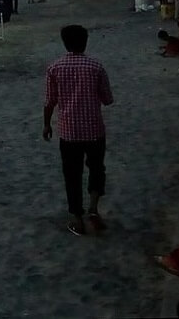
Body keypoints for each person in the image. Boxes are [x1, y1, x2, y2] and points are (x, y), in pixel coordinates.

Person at [42, 24, 114, 236]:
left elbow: (49, 102)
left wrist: (46, 124)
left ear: (65, 43)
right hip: (94, 129)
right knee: (97, 168)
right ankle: (93, 208)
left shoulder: (54, 68)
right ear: (85, 42)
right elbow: (107, 99)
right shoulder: (96, 67)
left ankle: (76, 216)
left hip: (69, 131)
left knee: (72, 174)